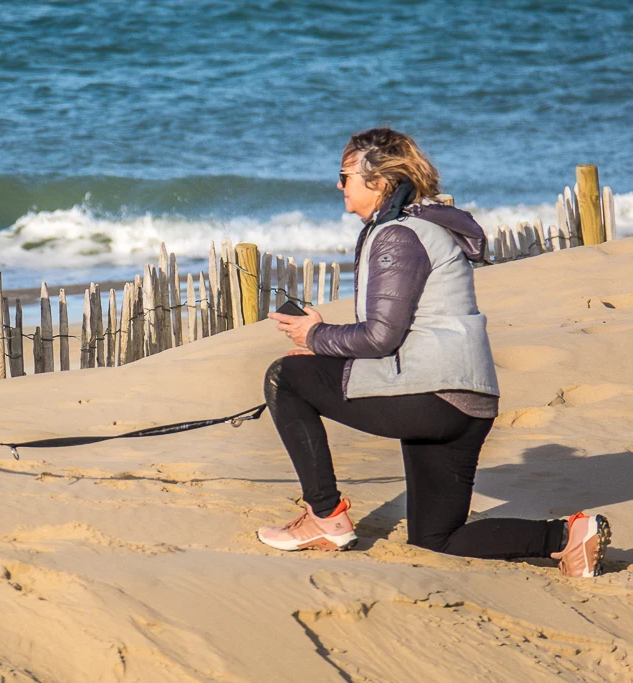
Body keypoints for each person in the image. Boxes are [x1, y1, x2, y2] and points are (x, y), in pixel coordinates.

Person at [256, 128, 610, 578]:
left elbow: (381, 338)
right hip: (467, 401)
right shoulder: (424, 226)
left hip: (431, 394)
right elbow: (396, 333)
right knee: (435, 537)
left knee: (284, 377)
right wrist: (324, 342)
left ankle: (324, 517)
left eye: (344, 175)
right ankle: (567, 537)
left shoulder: (397, 235)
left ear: (380, 182)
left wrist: (315, 336)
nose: (339, 185)